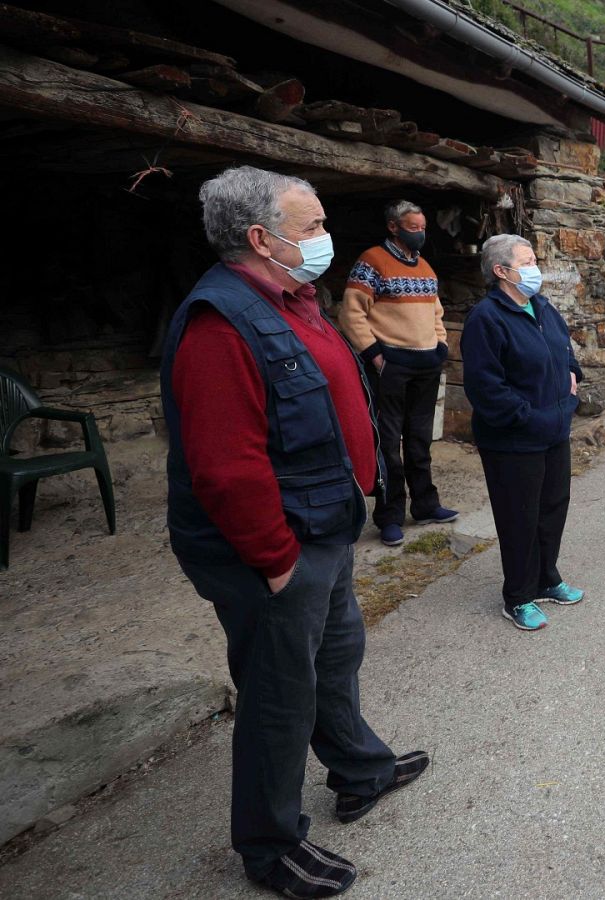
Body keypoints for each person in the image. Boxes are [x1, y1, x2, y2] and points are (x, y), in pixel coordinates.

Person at [160, 166, 427, 898]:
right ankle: (271, 845)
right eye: (310, 228)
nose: (323, 240)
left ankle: (359, 768)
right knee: (280, 694)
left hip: (324, 523)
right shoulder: (220, 323)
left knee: (336, 655)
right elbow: (224, 467)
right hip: (277, 545)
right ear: (260, 238)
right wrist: (275, 559)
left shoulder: (291, 298)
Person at [461, 234, 585, 631]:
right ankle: (517, 596)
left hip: (553, 429)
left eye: (534, 260)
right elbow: (487, 389)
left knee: (552, 509)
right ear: (502, 271)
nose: (535, 268)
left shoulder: (542, 306)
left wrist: (572, 374)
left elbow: (565, 352)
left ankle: (547, 578)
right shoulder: (486, 317)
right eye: (526, 261)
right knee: (519, 517)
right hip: (513, 439)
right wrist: (534, 418)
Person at [339, 200, 455, 547]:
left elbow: (436, 312)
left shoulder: (426, 268)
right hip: (390, 367)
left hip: (426, 366)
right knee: (388, 443)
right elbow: (351, 313)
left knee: (420, 441)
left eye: (422, 227)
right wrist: (375, 356)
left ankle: (425, 505)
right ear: (393, 227)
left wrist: (441, 345)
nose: (420, 233)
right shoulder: (371, 262)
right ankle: (389, 516)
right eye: (413, 227)